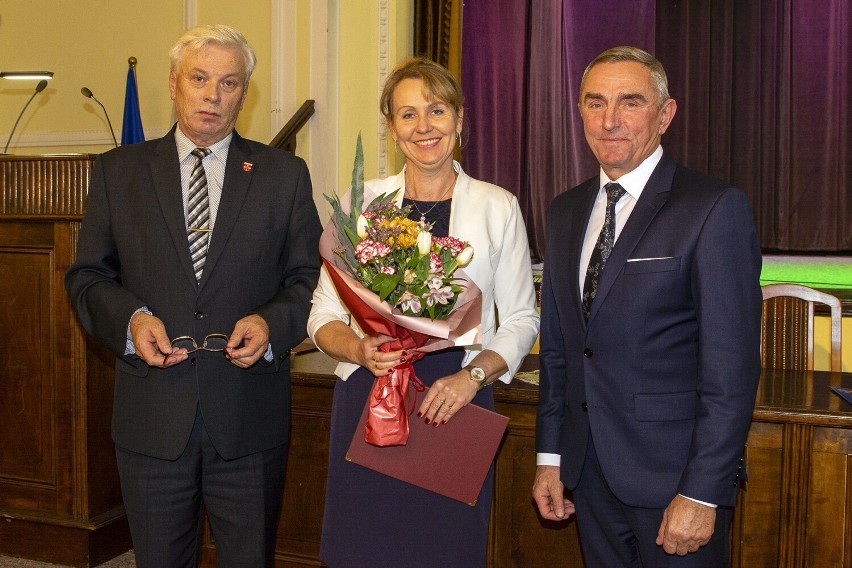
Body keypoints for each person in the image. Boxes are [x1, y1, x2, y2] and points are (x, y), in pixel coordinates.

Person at [65, 24, 321, 567]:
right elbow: (87, 278)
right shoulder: (118, 173)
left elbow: (307, 282)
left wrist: (273, 324)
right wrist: (131, 320)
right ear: (175, 83)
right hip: (152, 417)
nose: (212, 95)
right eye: (200, 79)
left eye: (229, 83)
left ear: (244, 94)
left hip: (249, 416)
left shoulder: (284, 175)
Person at [532, 46, 762, 566]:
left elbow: (733, 371)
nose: (609, 120)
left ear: (665, 114)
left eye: (629, 102)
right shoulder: (565, 211)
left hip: (675, 486)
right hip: (587, 480)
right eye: (595, 103)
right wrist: (551, 458)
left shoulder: (713, 208)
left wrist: (703, 491)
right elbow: (560, 353)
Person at [308, 56, 540, 567]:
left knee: (443, 549)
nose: (424, 127)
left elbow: (523, 318)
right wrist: (359, 346)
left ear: (459, 119)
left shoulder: (498, 205)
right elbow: (323, 313)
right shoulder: (361, 203)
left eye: (436, 111)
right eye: (407, 114)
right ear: (390, 127)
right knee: (362, 549)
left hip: (454, 395)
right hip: (369, 391)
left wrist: (473, 377)